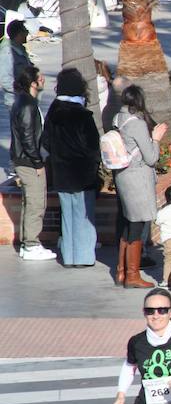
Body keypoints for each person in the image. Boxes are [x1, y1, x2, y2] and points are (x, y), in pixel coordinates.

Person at [42, 68, 102, 267]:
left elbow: (46, 143)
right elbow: (93, 147)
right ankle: (84, 258)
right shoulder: (83, 115)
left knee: (67, 217)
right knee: (83, 216)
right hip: (82, 175)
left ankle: (69, 257)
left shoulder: (53, 112)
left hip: (61, 174)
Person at [110, 86, 166, 288]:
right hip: (137, 179)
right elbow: (151, 157)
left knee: (128, 222)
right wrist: (156, 139)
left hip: (123, 176)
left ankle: (121, 272)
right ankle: (132, 275)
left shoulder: (118, 119)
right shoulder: (137, 124)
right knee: (137, 224)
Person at [10, 64, 54, 260]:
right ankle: (31, 245)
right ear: (33, 83)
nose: (43, 80)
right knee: (36, 203)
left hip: (24, 159)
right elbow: (27, 137)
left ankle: (28, 243)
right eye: (41, 77)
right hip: (29, 161)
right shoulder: (28, 105)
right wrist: (37, 162)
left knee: (31, 202)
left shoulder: (24, 101)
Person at [154, 189, 171, 285]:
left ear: (166, 198)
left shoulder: (164, 211)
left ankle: (166, 281)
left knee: (169, 260)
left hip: (169, 240)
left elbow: (157, 221)